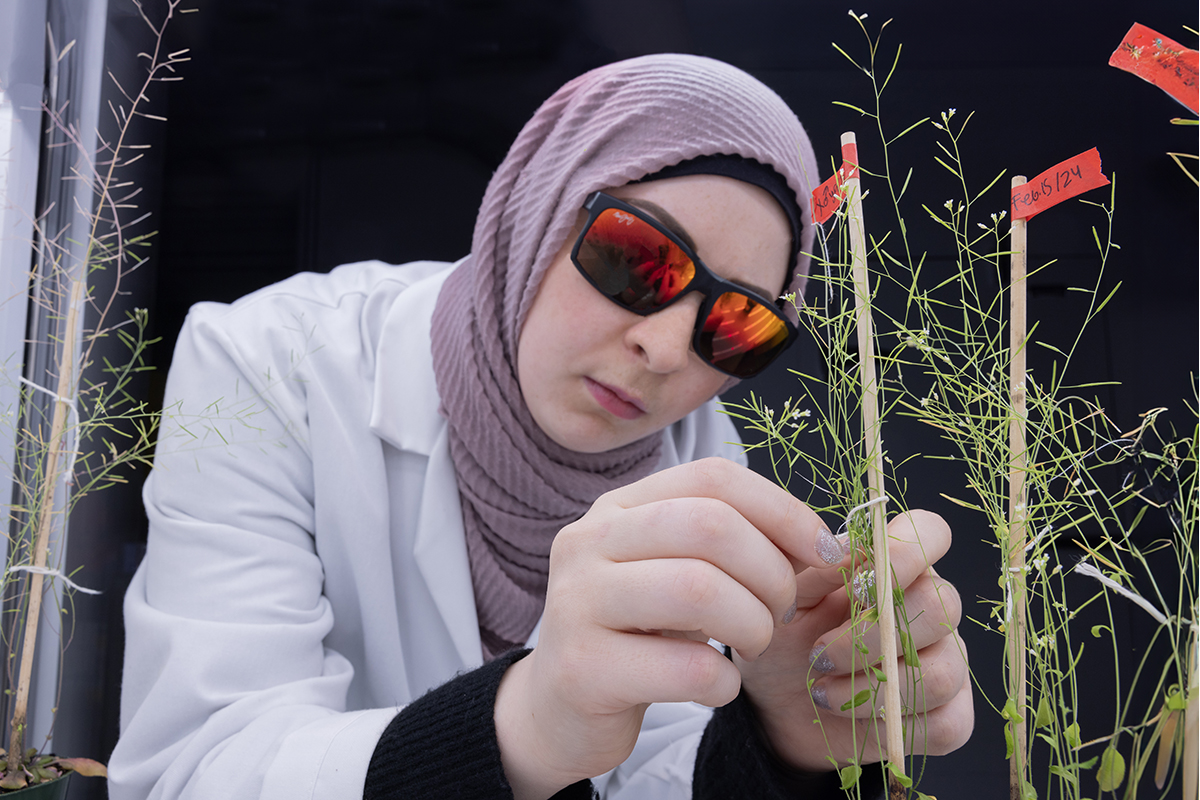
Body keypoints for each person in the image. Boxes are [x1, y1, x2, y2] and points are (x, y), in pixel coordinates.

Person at [109, 53, 972, 800]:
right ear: (539, 205)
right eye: (638, 257)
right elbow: (197, 767)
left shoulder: (701, 457)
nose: (669, 348)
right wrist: (523, 723)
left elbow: (659, 774)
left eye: (738, 325)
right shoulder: (270, 363)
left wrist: (782, 741)